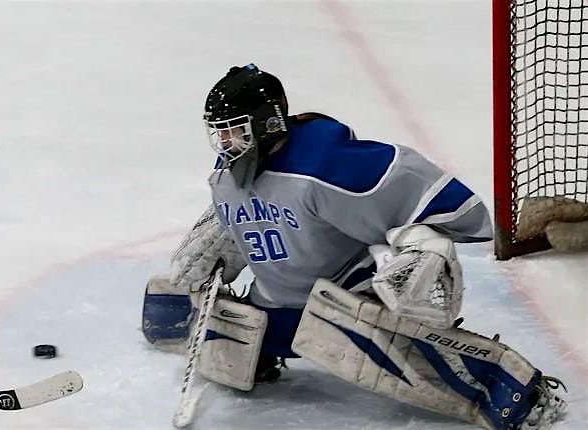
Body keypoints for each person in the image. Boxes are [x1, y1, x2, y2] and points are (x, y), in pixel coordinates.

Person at [143, 64, 567, 429]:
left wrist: (421, 247)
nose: (224, 145)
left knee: (395, 350)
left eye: (234, 132)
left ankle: (514, 391)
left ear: (266, 123)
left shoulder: (326, 165)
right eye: (219, 134)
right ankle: (268, 348)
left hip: (346, 295)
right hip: (276, 304)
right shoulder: (227, 176)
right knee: (212, 325)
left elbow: (445, 204)